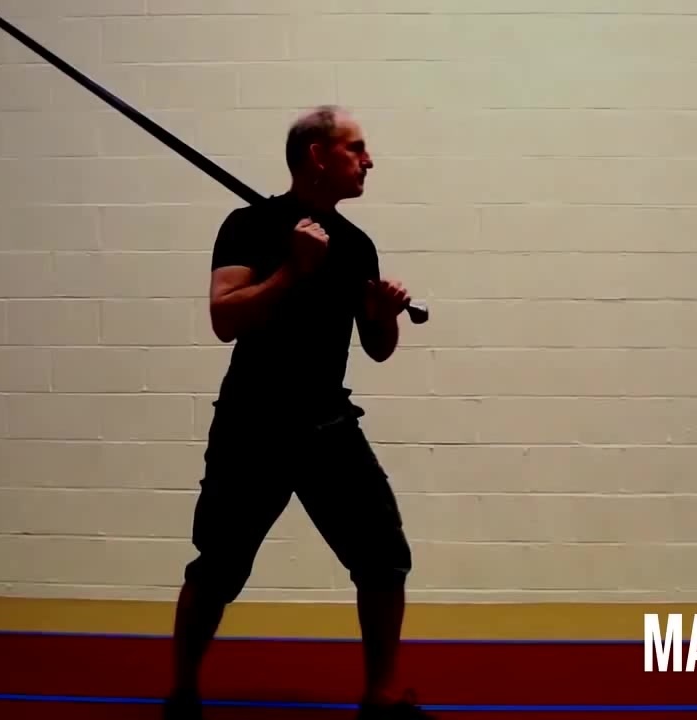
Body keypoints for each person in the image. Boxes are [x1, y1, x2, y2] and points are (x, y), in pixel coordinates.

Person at [163, 105, 434, 720]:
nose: (368, 161)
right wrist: (292, 270)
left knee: (383, 556)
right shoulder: (249, 226)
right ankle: (181, 694)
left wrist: (385, 315)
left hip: (326, 425)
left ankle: (382, 696)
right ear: (317, 155)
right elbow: (224, 319)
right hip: (252, 424)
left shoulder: (356, 245)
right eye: (355, 148)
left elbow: (377, 348)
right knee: (220, 565)